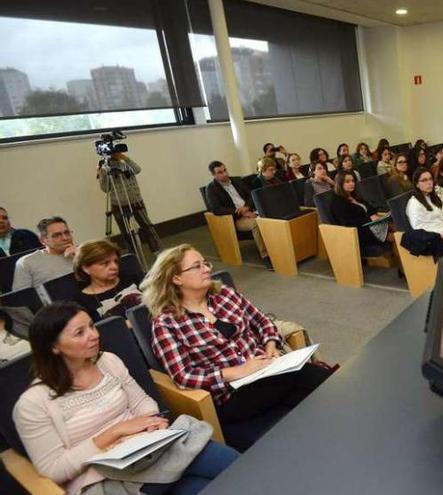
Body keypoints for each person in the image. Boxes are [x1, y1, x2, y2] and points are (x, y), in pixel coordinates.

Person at [13, 302, 238, 494]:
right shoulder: (33, 403)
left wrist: (149, 424)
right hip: (104, 478)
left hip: (147, 449)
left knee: (230, 471)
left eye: (91, 326)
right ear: (54, 347)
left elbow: (142, 403)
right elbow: (53, 468)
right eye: (80, 333)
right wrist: (117, 432)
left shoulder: (108, 361)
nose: (94, 335)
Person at [142, 245, 334, 450]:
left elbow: (262, 321)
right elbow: (183, 375)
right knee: (308, 378)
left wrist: (271, 344)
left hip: (267, 371)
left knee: (317, 388)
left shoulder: (225, 294)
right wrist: (238, 371)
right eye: (196, 266)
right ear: (176, 278)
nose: (206, 269)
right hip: (232, 395)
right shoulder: (166, 323)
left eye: (205, 263)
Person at [204, 161, 270, 269]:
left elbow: (251, 195)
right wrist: (239, 211)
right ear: (214, 175)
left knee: (271, 216)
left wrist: (247, 207)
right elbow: (216, 209)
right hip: (235, 219)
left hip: (250, 210)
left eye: (225, 170)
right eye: (220, 172)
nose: (224, 174)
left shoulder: (237, 180)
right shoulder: (211, 189)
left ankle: (276, 248)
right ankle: (265, 255)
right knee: (255, 224)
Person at [98, 151, 161, 253]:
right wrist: (101, 175)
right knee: (126, 233)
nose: (115, 155)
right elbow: (105, 189)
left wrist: (125, 158)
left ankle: (157, 251)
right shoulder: (105, 170)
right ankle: (133, 255)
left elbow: (138, 169)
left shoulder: (126, 165)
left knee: (147, 227)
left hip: (135, 201)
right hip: (118, 204)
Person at [72, 239, 143, 322]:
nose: (114, 267)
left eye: (116, 261)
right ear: (85, 268)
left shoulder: (133, 279)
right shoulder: (81, 303)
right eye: (105, 263)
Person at [329, 170, 389, 252]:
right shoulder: (337, 201)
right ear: (340, 184)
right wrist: (370, 219)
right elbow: (347, 223)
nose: (352, 183)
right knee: (392, 234)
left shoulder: (354, 196)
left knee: (393, 224)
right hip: (359, 232)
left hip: (370, 226)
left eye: (353, 181)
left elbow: (371, 208)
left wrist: (375, 216)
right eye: (347, 181)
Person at [12, 217, 77, 291]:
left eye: (67, 233)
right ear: (43, 240)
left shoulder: (80, 253)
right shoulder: (26, 262)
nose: (65, 238)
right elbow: (21, 297)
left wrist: (80, 257)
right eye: (57, 235)